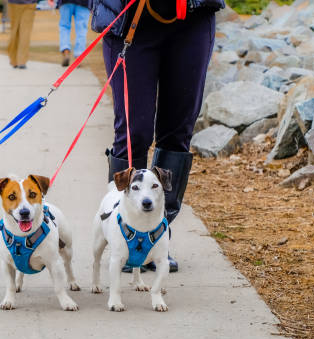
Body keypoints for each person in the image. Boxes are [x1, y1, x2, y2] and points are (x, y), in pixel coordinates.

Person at [91, 0, 225, 272]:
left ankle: (157, 239)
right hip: (128, 17)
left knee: (177, 131)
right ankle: (125, 237)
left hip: (192, 18)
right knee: (132, 133)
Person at [48, 0, 90, 67]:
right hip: (84, 3)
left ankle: (66, 51)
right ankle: (78, 56)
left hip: (66, 2)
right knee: (81, 29)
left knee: (64, 27)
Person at [7, 0, 37, 69]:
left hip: (14, 3)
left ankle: (14, 60)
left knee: (14, 30)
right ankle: (21, 61)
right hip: (29, 3)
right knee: (25, 32)